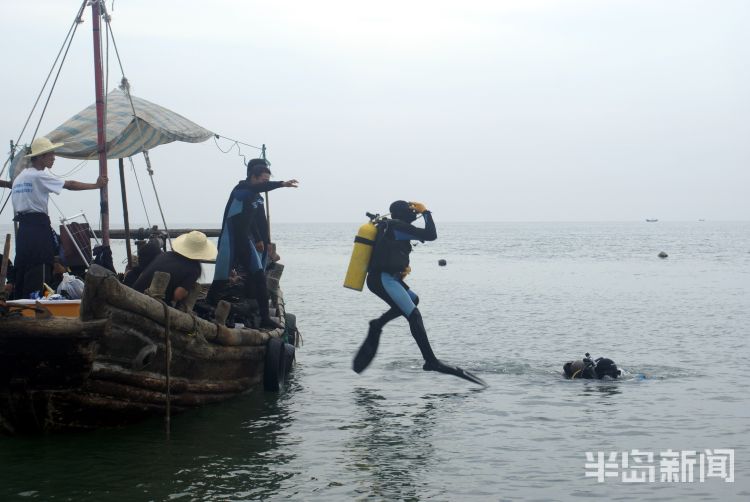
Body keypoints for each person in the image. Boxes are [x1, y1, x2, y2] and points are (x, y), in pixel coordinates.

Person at [353, 200, 486, 386]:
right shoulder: (398, 226)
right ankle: (430, 361)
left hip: (387, 278)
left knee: (414, 300)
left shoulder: (393, 227)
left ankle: (378, 324)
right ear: (403, 214)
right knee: (414, 315)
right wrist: (426, 212)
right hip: (383, 280)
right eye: (411, 211)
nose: (413, 214)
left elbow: (391, 251)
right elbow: (431, 235)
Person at [11, 136, 107, 299]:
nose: (54, 157)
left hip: (23, 231)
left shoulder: (19, 177)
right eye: (51, 154)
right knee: (39, 270)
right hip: (37, 228)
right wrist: (96, 185)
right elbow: (70, 184)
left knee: (22, 270)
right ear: (41, 157)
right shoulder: (38, 175)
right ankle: (35, 310)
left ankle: (18, 306)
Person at [207, 158, 298, 329]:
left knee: (258, 276)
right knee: (221, 276)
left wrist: (261, 240)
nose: (265, 183)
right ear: (253, 177)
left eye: (267, 181)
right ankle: (209, 304)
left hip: (245, 240)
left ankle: (264, 317)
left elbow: (255, 222)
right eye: (264, 180)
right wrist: (281, 184)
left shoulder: (255, 197)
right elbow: (253, 192)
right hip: (231, 239)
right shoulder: (241, 190)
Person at [132, 231, 217, 306]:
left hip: (134, 294)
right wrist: (186, 292)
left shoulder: (166, 254)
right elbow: (178, 295)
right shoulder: (194, 268)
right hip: (149, 304)